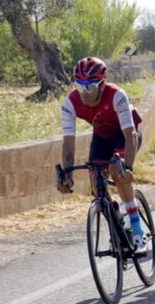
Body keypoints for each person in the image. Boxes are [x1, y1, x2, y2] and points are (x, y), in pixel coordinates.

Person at [59, 57, 147, 253]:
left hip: (125, 134)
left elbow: (130, 134)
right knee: (96, 181)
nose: (84, 93)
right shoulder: (69, 103)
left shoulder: (117, 95)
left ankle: (137, 230)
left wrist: (129, 167)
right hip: (102, 136)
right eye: (79, 86)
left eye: (89, 87)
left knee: (117, 170)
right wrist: (67, 176)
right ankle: (116, 221)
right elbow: (68, 145)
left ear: (102, 84)